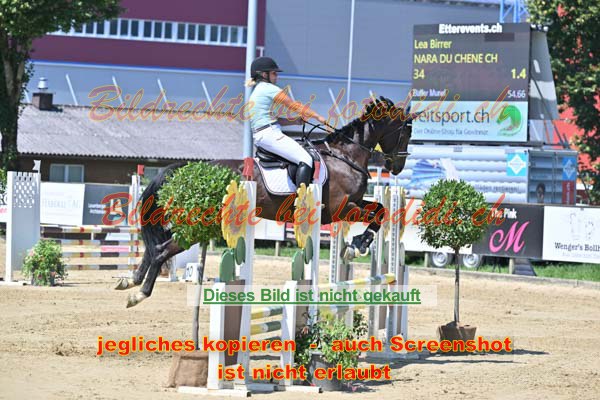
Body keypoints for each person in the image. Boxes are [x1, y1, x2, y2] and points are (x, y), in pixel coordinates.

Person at [246, 56, 330, 187]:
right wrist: (318, 117)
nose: (276, 76)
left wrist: (295, 121)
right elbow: (294, 105)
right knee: (306, 159)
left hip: (265, 133)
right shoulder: (268, 88)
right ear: (264, 74)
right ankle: (302, 198)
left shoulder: (259, 90)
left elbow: (274, 120)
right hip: (269, 135)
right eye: (274, 73)